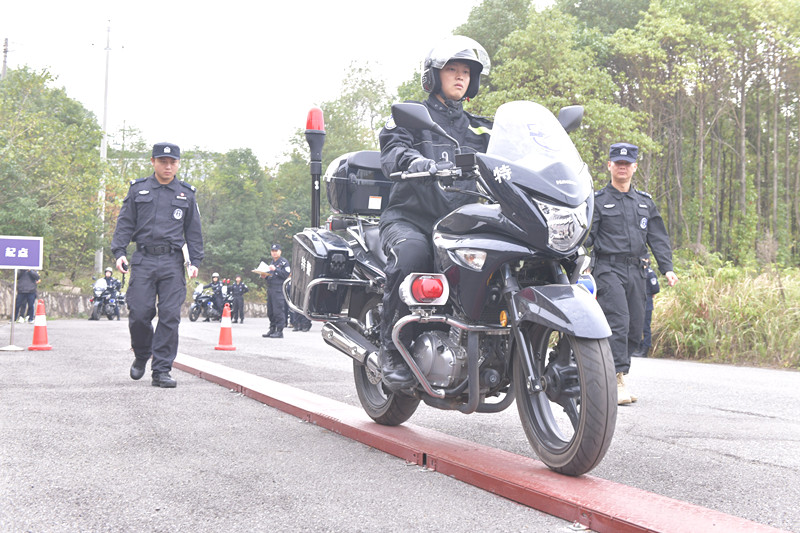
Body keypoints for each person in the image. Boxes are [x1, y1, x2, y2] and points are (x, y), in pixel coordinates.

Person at [377, 35, 492, 390]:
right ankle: (390, 350)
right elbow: (393, 153)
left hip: (462, 224)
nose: (460, 77)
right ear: (434, 76)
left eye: (466, 72)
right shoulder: (411, 118)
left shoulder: (481, 127)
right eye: (452, 70)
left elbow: (511, 157)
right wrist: (417, 161)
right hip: (412, 219)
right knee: (413, 254)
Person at [586, 143, 678, 405]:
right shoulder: (599, 201)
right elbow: (587, 236)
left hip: (637, 270)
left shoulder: (644, 203)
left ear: (635, 167)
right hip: (608, 268)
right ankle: (614, 380)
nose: (622, 167)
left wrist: (667, 268)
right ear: (609, 166)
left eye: (627, 164)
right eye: (618, 163)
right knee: (619, 320)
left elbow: (658, 238)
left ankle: (620, 374)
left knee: (636, 327)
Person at [111, 142, 203, 388]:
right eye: (163, 161)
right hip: (143, 259)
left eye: (173, 162)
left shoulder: (186, 194)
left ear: (178, 164)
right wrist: (119, 252)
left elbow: (194, 232)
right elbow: (125, 223)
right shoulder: (138, 190)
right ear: (153, 162)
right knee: (140, 313)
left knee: (170, 316)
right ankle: (142, 354)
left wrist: (195, 261)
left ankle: (161, 370)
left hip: (173, 262)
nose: (168, 166)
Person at [260, 243, 290, 338]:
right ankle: (272, 329)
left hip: (279, 289)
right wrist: (264, 276)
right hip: (271, 288)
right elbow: (271, 276)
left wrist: (276, 269)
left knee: (278, 311)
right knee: (271, 311)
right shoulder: (271, 263)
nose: (274, 253)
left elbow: (286, 274)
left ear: (280, 251)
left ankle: (279, 331)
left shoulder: (283, 262)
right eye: (272, 251)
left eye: (276, 251)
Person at [631, 266, 660, 358]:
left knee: (645, 326)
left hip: (647, 300)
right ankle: (638, 347)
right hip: (637, 299)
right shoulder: (636, 270)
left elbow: (655, 288)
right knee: (636, 325)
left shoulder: (650, 273)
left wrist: (649, 294)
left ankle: (645, 349)